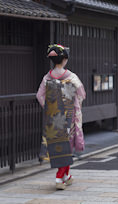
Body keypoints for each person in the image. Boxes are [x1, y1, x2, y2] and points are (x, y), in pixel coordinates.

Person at [36, 44, 86, 190]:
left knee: (58, 146)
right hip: (68, 116)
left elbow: (39, 95)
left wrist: (50, 107)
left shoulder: (47, 77)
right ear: (64, 59)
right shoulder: (71, 77)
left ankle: (66, 177)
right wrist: (75, 102)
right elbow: (82, 93)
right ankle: (59, 178)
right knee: (67, 148)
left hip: (54, 117)